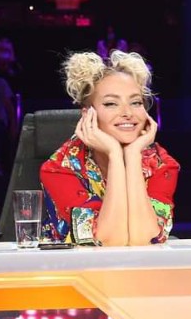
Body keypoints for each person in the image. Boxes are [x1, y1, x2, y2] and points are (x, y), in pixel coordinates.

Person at [39, 50, 179, 246]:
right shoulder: (59, 169)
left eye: (136, 102)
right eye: (111, 103)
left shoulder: (161, 165)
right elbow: (110, 241)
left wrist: (132, 155)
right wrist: (114, 154)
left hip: (141, 264)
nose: (127, 113)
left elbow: (144, 239)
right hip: (74, 264)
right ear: (88, 114)